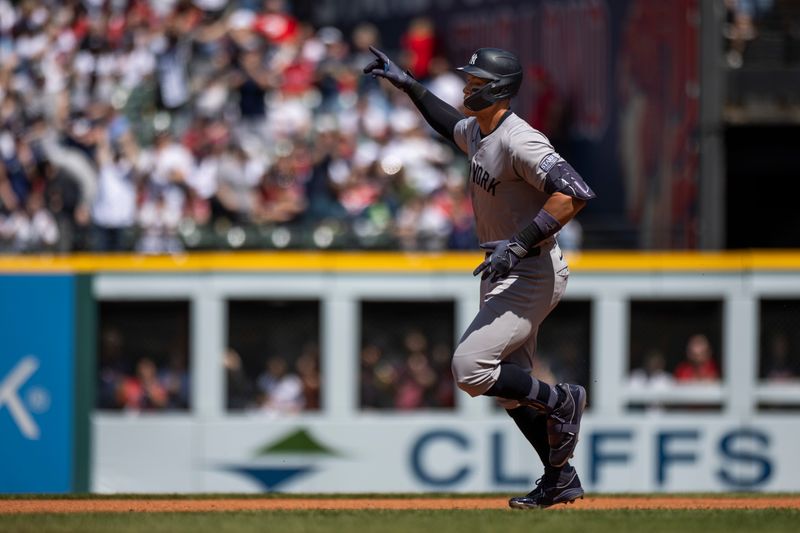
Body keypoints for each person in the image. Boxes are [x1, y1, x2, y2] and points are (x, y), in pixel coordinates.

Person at [364, 46, 595, 509]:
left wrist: (519, 242)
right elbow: (448, 123)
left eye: (474, 83)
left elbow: (574, 193)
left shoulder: (519, 140)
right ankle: (560, 477)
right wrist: (409, 84)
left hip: (530, 266)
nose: (466, 88)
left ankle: (561, 400)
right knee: (511, 390)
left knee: (471, 368)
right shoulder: (480, 129)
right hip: (503, 264)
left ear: (497, 89)